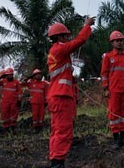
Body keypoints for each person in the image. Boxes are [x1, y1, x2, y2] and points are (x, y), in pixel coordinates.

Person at [47, 16, 95, 168]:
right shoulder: (59, 49)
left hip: (59, 96)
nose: (68, 38)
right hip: (61, 97)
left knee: (57, 131)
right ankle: (57, 164)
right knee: (63, 131)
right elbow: (79, 41)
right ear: (60, 37)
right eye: (66, 36)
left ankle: (56, 161)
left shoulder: (58, 53)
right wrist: (87, 26)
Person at [101, 30, 124, 150]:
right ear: (112, 42)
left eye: (121, 40)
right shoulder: (108, 57)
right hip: (113, 90)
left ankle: (123, 138)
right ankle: (115, 140)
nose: (120, 42)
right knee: (114, 114)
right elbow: (104, 73)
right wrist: (105, 88)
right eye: (117, 40)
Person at [0, 67, 22, 132]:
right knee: (5, 114)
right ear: (6, 75)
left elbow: (19, 92)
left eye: (10, 74)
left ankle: (13, 127)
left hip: (14, 102)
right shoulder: (3, 81)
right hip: (5, 102)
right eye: (8, 75)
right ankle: (6, 128)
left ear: (12, 75)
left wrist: (19, 100)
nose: (9, 76)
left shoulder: (16, 82)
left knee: (14, 115)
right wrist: (0, 78)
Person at [21, 68, 48, 133]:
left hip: (41, 102)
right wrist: (27, 78)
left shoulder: (44, 83)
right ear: (34, 76)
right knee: (35, 115)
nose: (38, 76)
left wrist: (46, 102)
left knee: (41, 115)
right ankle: (35, 128)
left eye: (39, 74)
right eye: (37, 75)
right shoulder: (30, 83)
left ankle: (40, 127)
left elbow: (46, 93)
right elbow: (22, 83)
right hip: (34, 102)